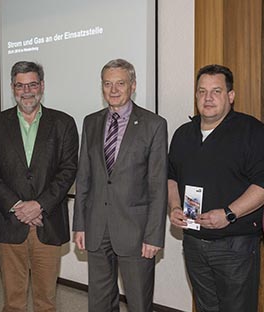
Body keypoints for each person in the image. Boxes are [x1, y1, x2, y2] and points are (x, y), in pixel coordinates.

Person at [167, 64, 264, 312]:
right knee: (205, 307)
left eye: (216, 91)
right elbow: (171, 177)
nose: (208, 98)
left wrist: (228, 213)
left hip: (235, 244)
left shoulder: (252, 132)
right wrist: (174, 206)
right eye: (202, 91)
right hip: (193, 241)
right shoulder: (183, 134)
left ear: (231, 96)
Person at [0, 61, 79, 312]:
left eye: (32, 84)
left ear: (42, 86)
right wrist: (17, 207)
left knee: (46, 300)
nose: (27, 91)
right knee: (13, 301)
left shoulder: (63, 123)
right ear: (13, 88)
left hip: (47, 221)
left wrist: (39, 205)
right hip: (10, 221)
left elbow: (68, 170)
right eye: (20, 85)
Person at [73, 58, 168, 312]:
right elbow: (84, 177)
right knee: (100, 302)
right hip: (96, 226)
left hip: (136, 232)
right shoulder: (90, 122)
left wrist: (153, 235)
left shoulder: (154, 125)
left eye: (120, 83)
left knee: (138, 303)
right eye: (107, 84)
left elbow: (158, 186)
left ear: (133, 85)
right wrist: (80, 224)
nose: (113, 90)